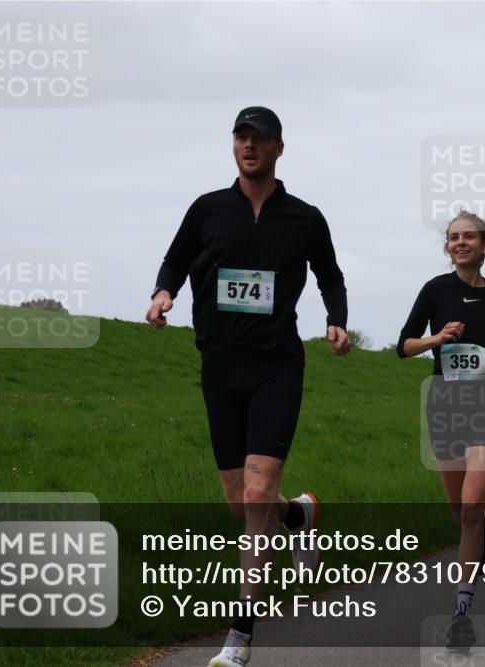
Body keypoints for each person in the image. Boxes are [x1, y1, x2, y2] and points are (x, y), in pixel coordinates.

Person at [145, 106, 351, 667]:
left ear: (280, 148)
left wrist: (336, 317)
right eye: (241, 137)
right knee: (242, 505)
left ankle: (239, 637)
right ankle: (300, 516)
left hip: (277, 365)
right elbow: (177, 259)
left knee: (257, 493)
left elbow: (330, 273)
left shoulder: (304, 218)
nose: (249, 146)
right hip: (219, 361)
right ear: (233, 146)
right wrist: (163, 293)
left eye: (260, 138)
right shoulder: (207, 209)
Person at [397, 210, 485, 652]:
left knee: (471, 506)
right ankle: (478, 528)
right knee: (459, 511)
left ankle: (461, 615)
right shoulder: (434, 291)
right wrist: (437, 340)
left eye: (469, 237)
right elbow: (404, 345)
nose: (461, 243)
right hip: (445, 408)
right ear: (448, 246)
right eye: (454, 237)